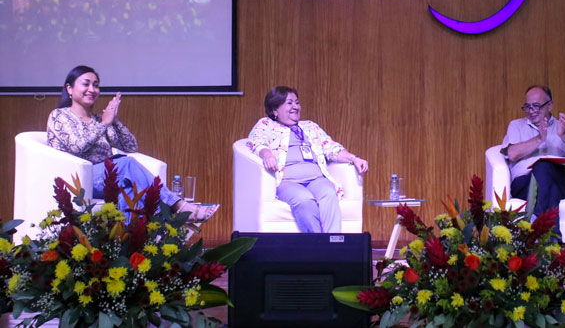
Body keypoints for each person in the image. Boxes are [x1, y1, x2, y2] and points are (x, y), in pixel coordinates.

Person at [47, 65, 218, 223]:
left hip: (106, 178)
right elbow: (77, 146)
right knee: (126, 164)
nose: (92, 89)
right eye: (86, 84)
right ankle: (177, 205)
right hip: (79, 178)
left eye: (96, 85)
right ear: (69, 88)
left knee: (129, 191)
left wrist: (113, 119)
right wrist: (104, 124)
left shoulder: (99, 120)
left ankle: (136, 239)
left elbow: (130, 146)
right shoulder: (60, 116)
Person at [247, 86, 369, 233]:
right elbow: (256, 141)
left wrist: (353, 158)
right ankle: (317, 243)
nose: (295, 107)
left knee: (329, 193)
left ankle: (333, 241)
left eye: (297, 102)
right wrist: (267, 154)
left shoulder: (310, 126)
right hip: (287, 181)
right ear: (275, 110)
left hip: (316, 179)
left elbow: (330, 147)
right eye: (289, 103)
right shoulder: (266, 124)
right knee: (304, 199)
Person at [500, 85, 565, 223]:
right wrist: (539, 139)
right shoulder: (516, 126)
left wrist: (564, 135)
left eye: (536, 106)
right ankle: (549, 232)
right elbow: (512, 154)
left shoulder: (562, 127)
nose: (531, 111)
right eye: (527, 107)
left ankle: (534, 222)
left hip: (558, 181)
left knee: (548, 173)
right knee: (546, 175)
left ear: (550, 105)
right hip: (524, 184)